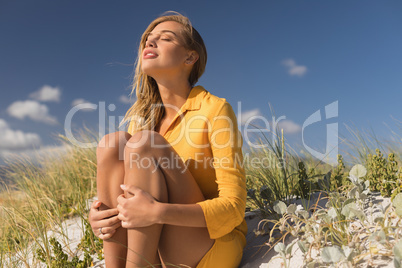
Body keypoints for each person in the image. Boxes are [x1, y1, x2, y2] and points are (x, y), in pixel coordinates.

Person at [88, 11, 247, 268]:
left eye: (165, 38)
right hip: (159, 248)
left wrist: (157, 211)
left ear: (190, 56)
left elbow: (234, 207)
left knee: (144, 143)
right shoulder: (141, 122)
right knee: (112, 144)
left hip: (209, 245)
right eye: (148, 39)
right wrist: (99, 217)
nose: (150, 42)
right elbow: (127, 199)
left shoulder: (215, 110)